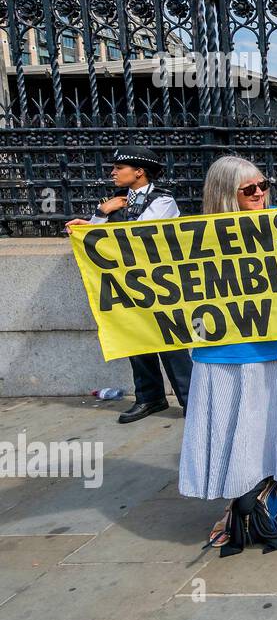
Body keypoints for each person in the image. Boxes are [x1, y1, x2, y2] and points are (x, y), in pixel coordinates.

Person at [180, 156, 277, 549]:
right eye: (249, 190)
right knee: (233, 424)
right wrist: (90, 234)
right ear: (226, 195)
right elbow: (147, 257)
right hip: (225, 346)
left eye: (263, 185)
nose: (260, 194)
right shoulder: (199, 234)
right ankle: (239, 499)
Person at [66, 145, 193, 424]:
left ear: (139, 172)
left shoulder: (163, 200)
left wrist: (105, 216)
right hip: (128, 283)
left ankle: (191, 401)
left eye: (119, 168)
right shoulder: (114, 201)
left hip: (160, 284)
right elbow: (97, 240)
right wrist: (100, 214)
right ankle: (150, 397)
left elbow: (137, 236)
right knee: (136, 340)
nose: (113, 172)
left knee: (171, 344)